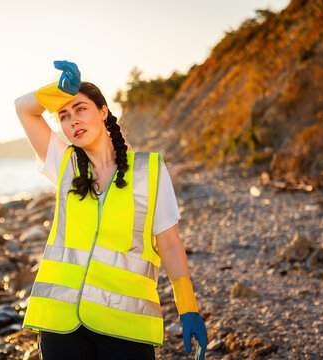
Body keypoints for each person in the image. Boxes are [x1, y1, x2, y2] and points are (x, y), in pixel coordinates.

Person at [14, 60, 208, 360]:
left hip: (126, 326)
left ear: (103, 112)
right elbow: (23, 108)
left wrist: (188, 307)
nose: (73, 120)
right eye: (64, 116)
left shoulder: (150, 171)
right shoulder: (64, 165)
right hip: (61, 322)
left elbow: (169, 243)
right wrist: (57, 91)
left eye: (81, 109)